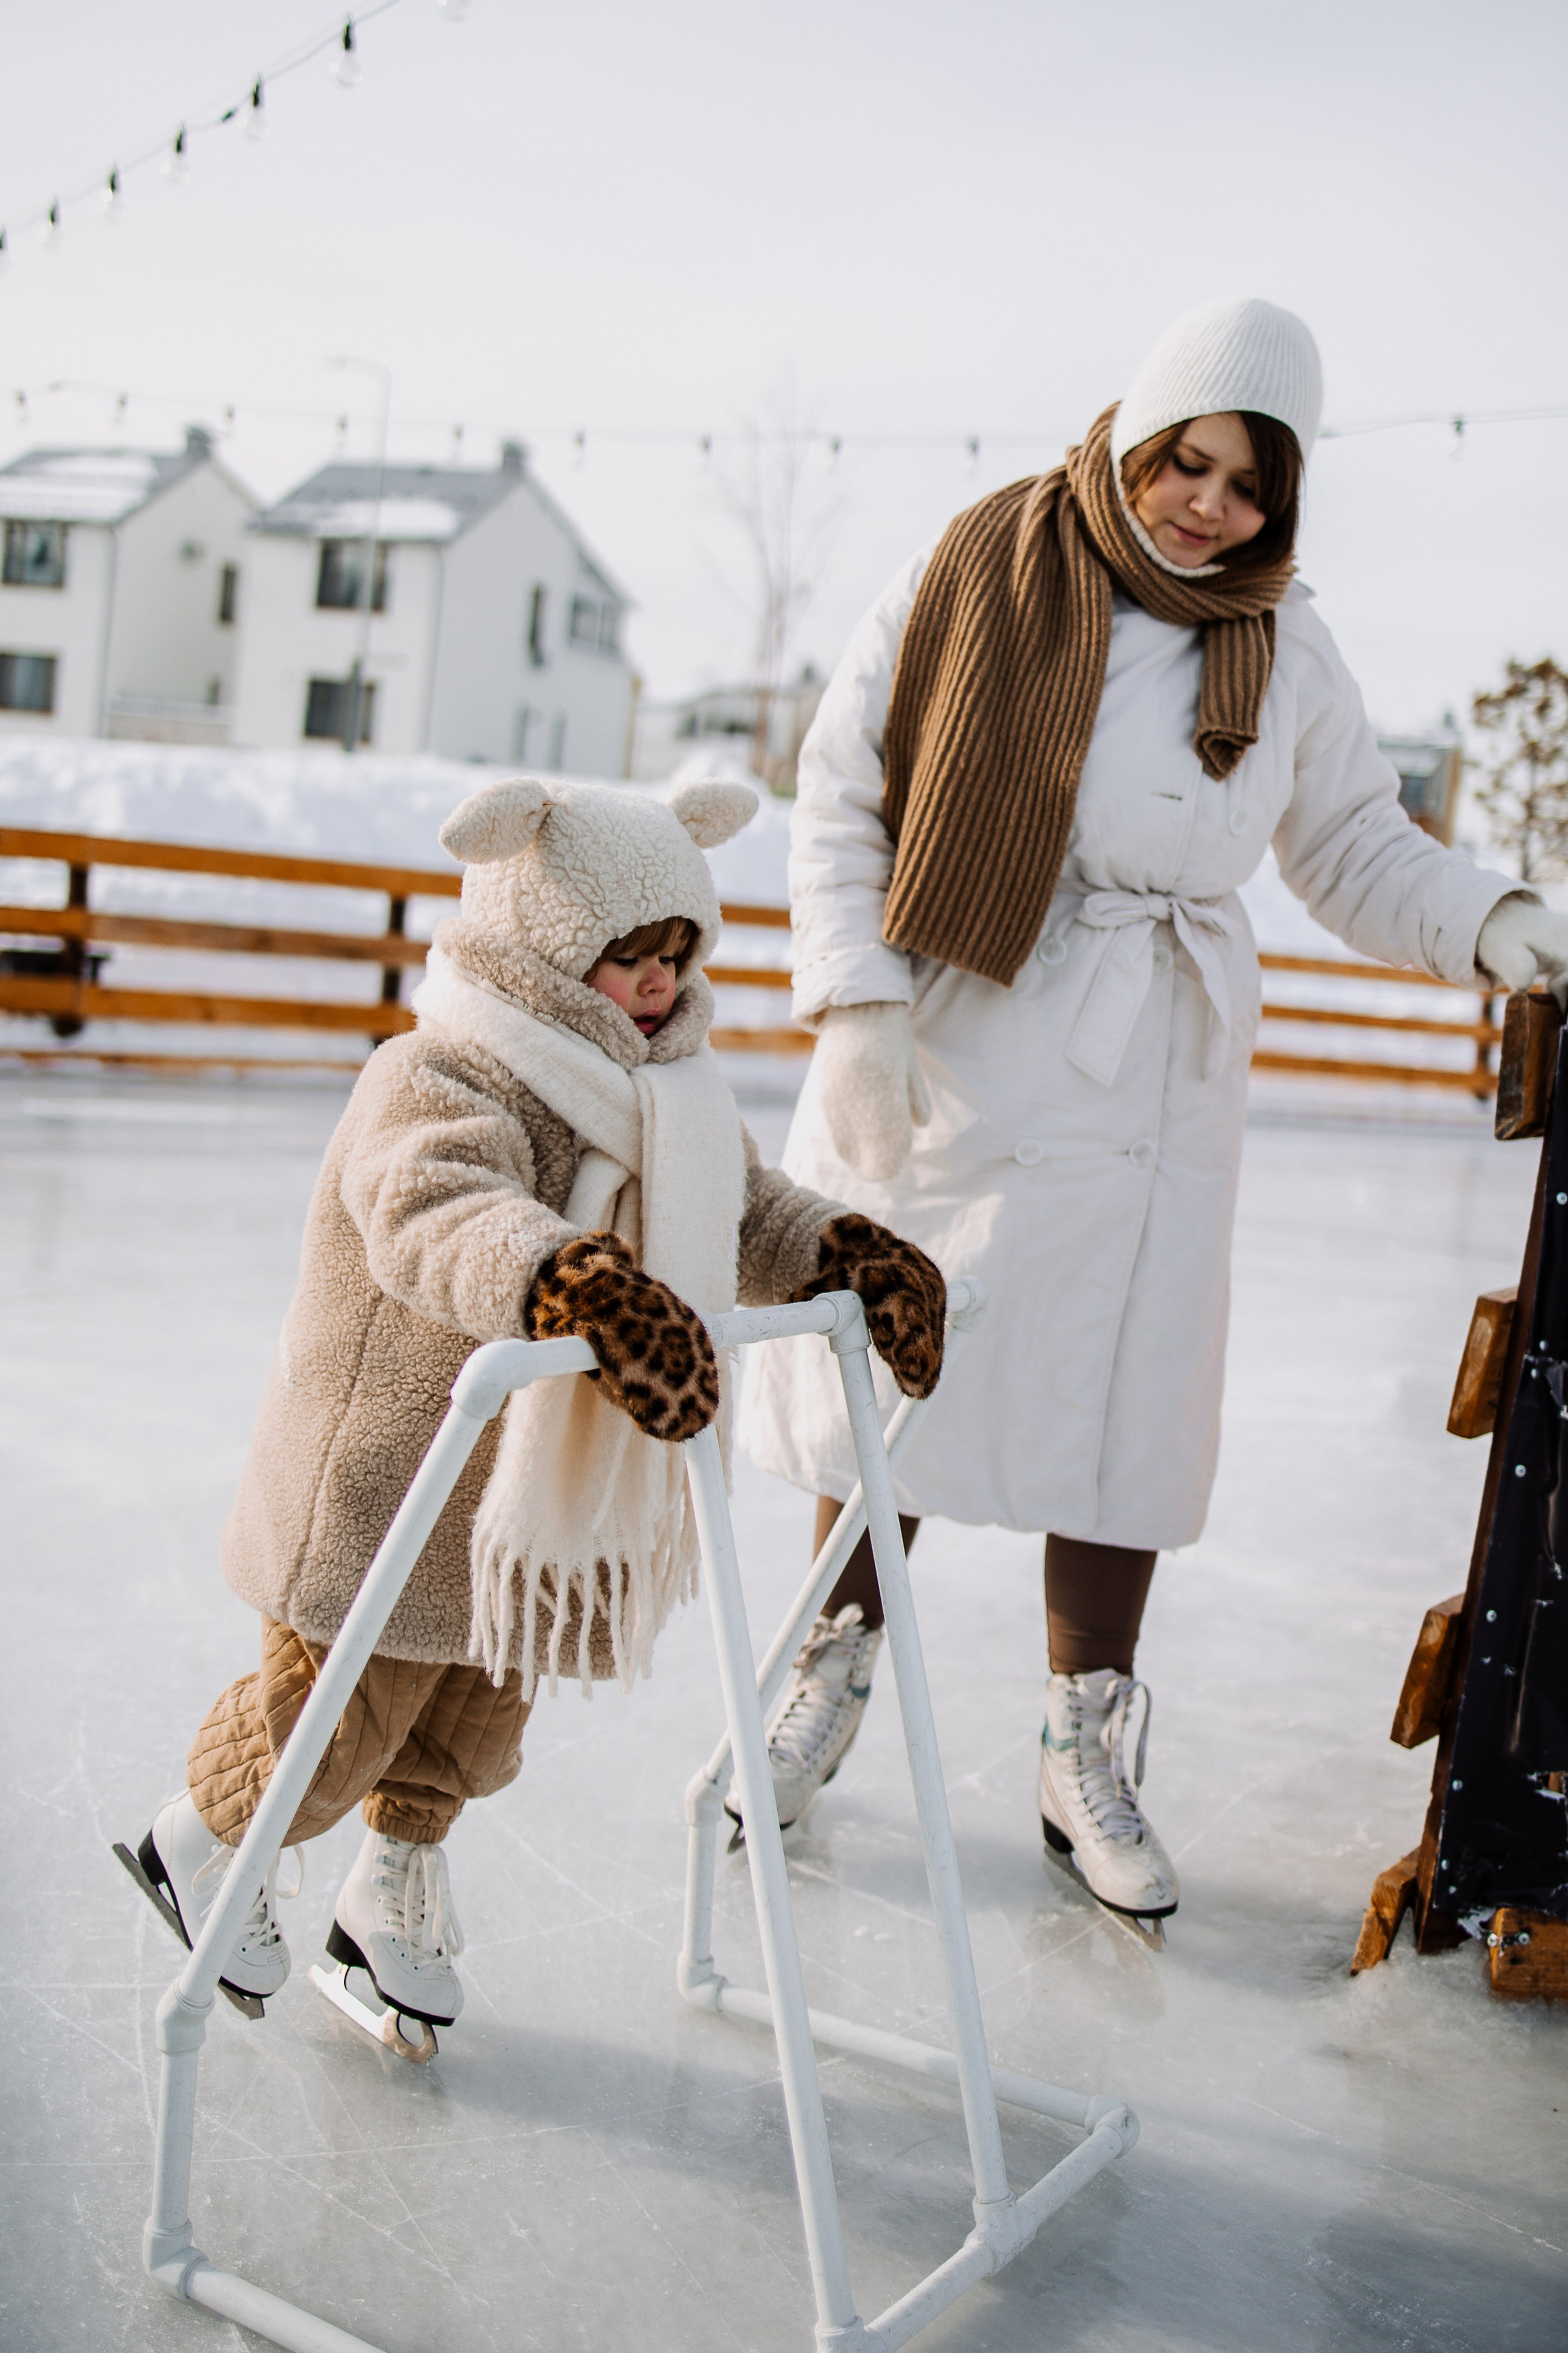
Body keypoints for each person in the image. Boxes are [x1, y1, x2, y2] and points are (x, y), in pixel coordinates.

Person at [739, 296, 1568, 1928]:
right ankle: (820, 1672)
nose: (1208, 505)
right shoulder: (976, 565)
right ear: (1135, 435)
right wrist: (854, 1006)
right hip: (960, 1021)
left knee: (1126, 1414)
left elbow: (1353, 843)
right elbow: (846, 791)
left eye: (1249, 484)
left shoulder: (1286, 640)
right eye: (1186, 460)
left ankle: (1081, 1742)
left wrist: (1485, 919)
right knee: (897, 1369)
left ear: (1286, 502)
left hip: (1158, 1062)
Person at [129, 776, 944, 2031]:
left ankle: (384, 1892)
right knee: (337, 1721)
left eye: (678, 951)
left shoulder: (671, 1097)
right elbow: (433, 1210)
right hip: (391, 1473)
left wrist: (850, 1254)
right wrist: (576, 1283)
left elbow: (748, 1209)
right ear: (543, 942)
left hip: (522, 1508)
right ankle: (200, 1843)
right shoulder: (441, 1071)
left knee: (472, 1719)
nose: (660, 981)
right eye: (627, 955)